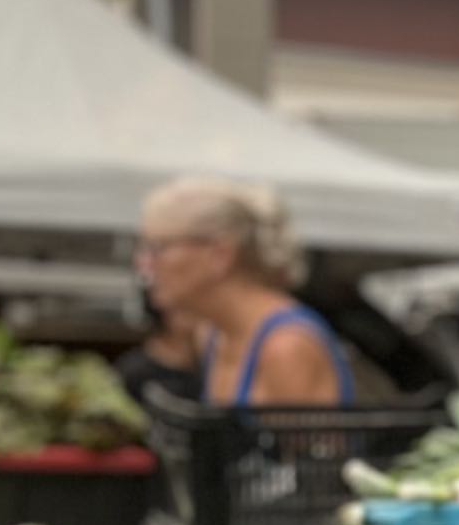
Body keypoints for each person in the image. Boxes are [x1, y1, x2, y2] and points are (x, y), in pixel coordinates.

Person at [133, 177, 351, 415]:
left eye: (158, 248)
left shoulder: (287, 346)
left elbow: (313, 451)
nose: (144, 264)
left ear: (219, 255)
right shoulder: (212, 334)